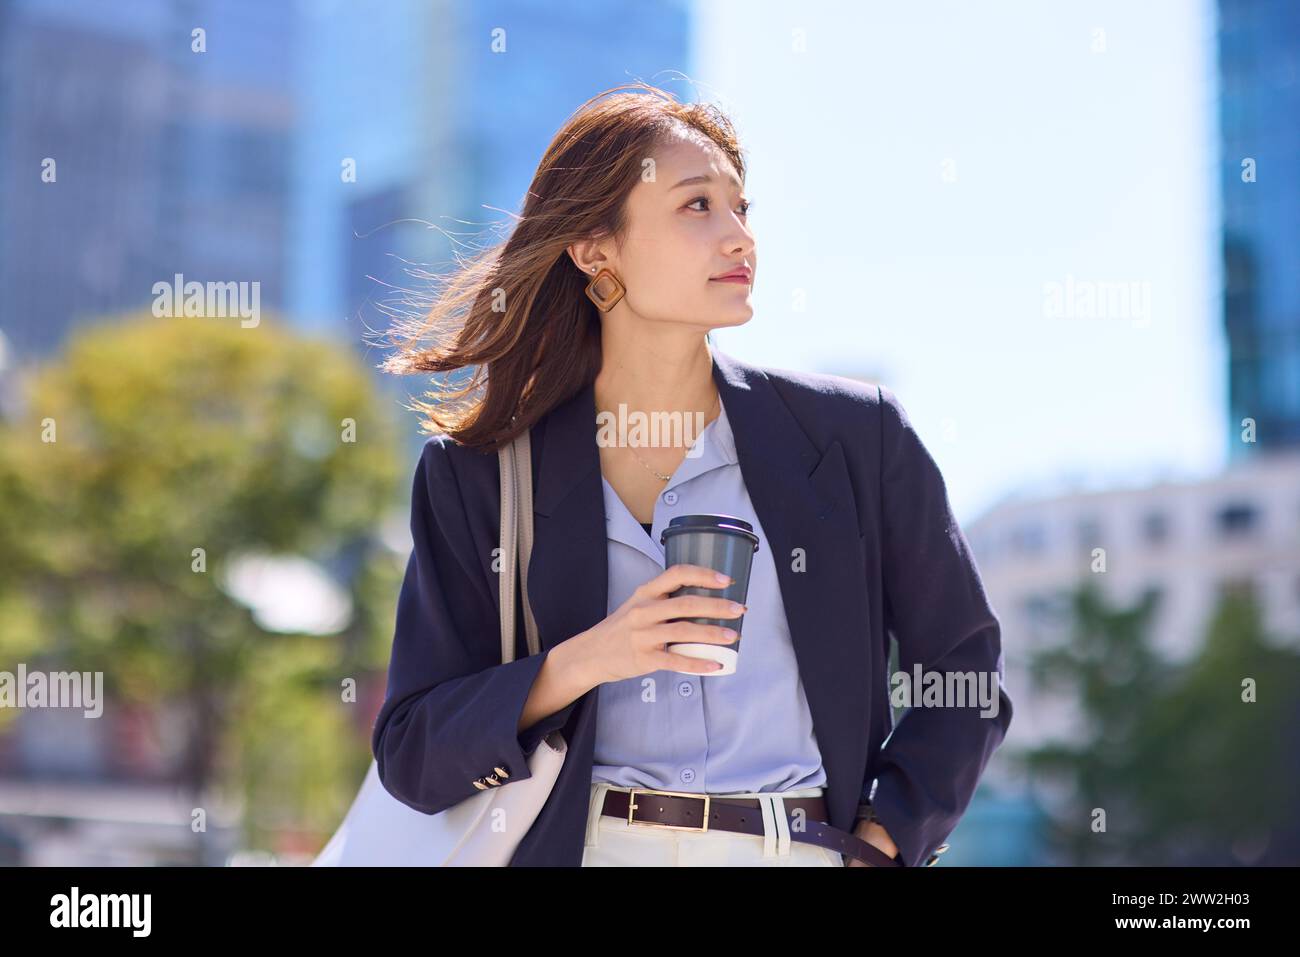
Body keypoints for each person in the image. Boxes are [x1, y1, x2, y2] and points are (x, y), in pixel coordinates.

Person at [371, 82, 1012, 867]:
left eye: (742, 208)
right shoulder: (478, 474)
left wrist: (884, 841)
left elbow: (965, 670)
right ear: (594, 248)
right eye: (697, 206)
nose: (740, 237)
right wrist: (590, 658)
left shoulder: (858, 438)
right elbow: (413, 748)